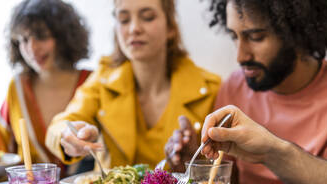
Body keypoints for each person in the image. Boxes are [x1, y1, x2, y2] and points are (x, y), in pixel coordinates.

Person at [165, 0, 327, 184]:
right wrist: (194, 164)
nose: (240, 56)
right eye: (235, 36)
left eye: (256, 37)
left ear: (297, 31)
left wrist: (270, 152)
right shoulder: (235, 87)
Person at [45, 0, 220, 170]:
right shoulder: (102, 81)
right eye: (124, 20)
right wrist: (68, 135)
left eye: (148, 17)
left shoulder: (211, 88)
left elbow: (224, 173)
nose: (134, 28)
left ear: (171, 28)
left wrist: (192, 163)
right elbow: (61, 124)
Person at [0, 0, 91, 178]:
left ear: (63, 37)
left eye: (41, 36)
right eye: (23, 40)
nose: (31, 48)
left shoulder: (92, 83)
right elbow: (1, 152)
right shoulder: (17, 88)